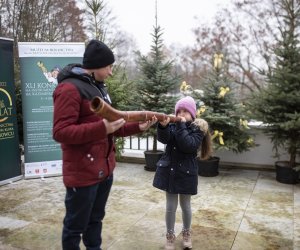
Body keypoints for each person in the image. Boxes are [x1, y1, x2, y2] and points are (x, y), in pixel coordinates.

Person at [52, 39, 156, 250]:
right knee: (74, 226)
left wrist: (139, 127)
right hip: (82, 174)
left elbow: (114, 126)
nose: (110, 72)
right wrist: (102, 128)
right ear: (97, 65)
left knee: (95, 220)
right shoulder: (69, 89)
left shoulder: (98, 88)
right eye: (109, 67)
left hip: (103, 171)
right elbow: (60, 132)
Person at [153, 96, 212, 250]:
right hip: (170, 171)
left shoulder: (198, 129)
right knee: (170, 206)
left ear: (193, 114)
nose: (182, 114)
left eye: (186, 111)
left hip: (186, 173)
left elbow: (188, 145)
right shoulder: (174, 125)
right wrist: (164, 127)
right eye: (179, 111)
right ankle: (170, 235)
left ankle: (186, 233)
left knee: (185, 205)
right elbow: (164, 139)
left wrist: (181, 126)